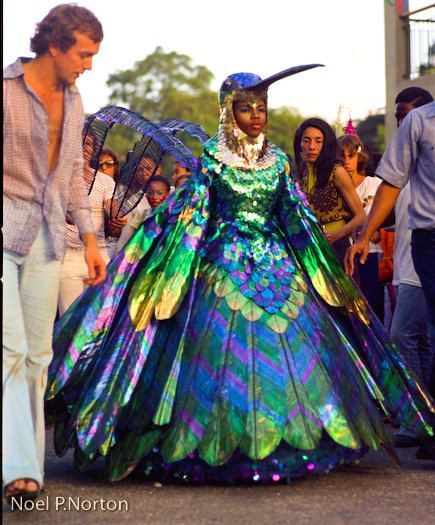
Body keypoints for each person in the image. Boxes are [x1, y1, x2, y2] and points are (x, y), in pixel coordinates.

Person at [45, 67, 433, 484]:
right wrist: (155, 255)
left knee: (293, 360)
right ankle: (208, 440)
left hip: (278, 273)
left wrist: (322, 262)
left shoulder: (278, 161)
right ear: (229, 111)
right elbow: (193, 216)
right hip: (221, 269)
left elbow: (295, 218)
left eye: (261, 108)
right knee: (218, 358)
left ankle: (289, 441)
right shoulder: (213, 158)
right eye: (246, 108)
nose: (256, 116)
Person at [3, 4, 105, 506]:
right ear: (55, 45)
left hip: (47, 238)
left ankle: (24, 463)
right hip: (1, 232)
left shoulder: (76, 100)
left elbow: (70, 176)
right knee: (9, 350)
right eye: (84, 54)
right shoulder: (3, 91)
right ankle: (21, 471)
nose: (88, 64)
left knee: (38, 356)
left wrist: (89, 239)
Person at [345, 100, 435, 457]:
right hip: (430, 241)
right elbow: (391, 183)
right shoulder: (419, 122)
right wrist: (366, 236)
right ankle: (425, 424)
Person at [387, 88, 434, 450]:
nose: (401, 121)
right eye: (397, 116)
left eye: (406, 114)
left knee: (408, 335)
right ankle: (421, 416)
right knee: (413, 338)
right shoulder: (403, 172)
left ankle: (421, 417)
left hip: (419, 270)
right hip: (410, 265)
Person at [294, 118, 366, 264]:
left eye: (318, 141)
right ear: (300, 145)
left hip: (338, 248)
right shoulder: (301, 182)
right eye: (306, 140)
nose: (311, 146)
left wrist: (335, 235)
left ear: (326, 144)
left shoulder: (337, 172)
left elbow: (361, 216)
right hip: (312, 251)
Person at [337, 134, 384, 321]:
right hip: (342, 254)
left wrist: (375, 230)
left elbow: (389, 216)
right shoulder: (334, 188)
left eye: (351, 156)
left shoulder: (374, 184)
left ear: (359, 156)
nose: (347, 161)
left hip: (369, 254)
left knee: (373, 309)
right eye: (342, 158)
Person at [58, 169, 115, 316]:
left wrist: (116, 216)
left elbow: (112, 208)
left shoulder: (105, 180)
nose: (86, 146)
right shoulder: (56, 175)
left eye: (90, 144)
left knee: (98, 321)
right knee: (68, 321)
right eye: (83, 143)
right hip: (68, 258)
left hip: (100, 256)